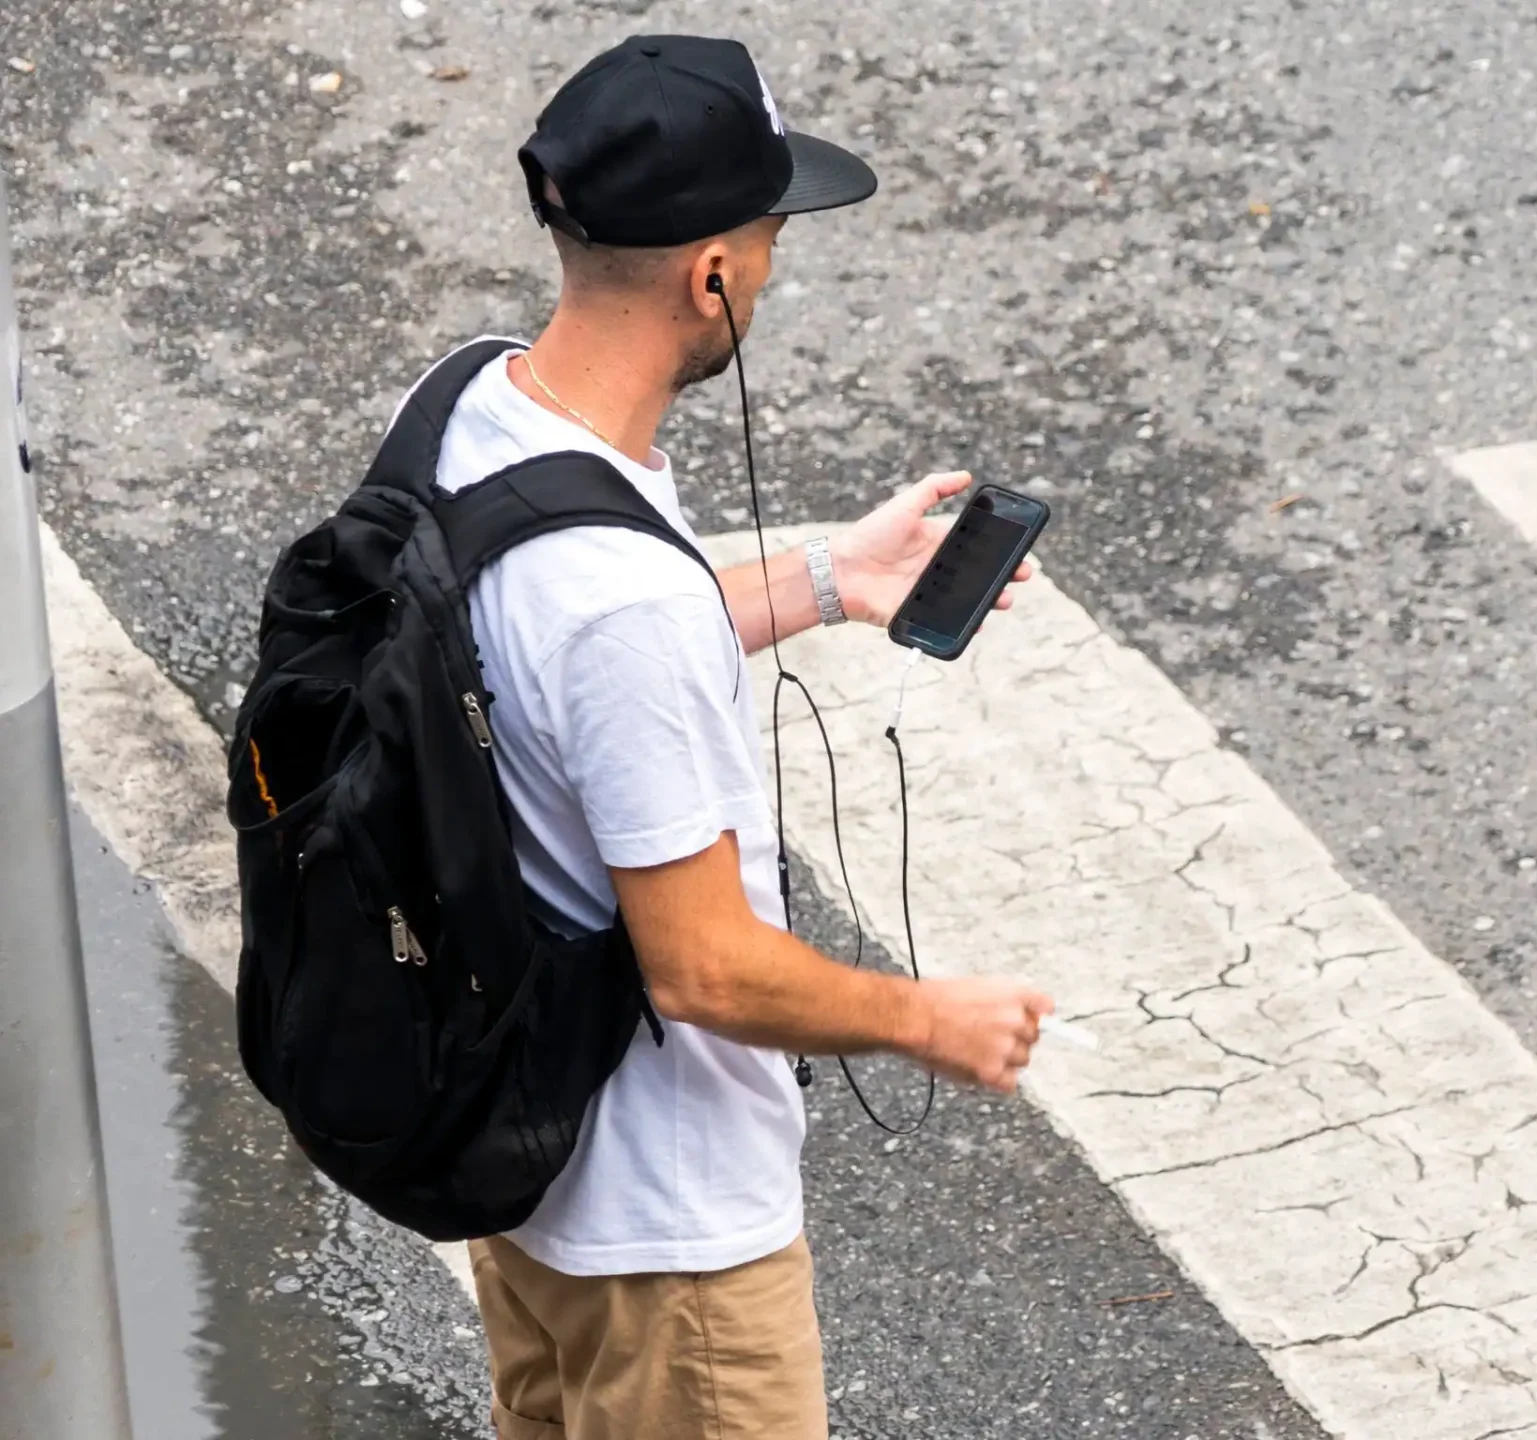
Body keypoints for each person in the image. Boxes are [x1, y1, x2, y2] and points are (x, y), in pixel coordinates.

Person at [430, 34, 1054, 1440]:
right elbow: (703, 966)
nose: (770, 272)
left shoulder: (472, 407)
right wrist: (926, 1018)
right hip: (674, 1260)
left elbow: (556, 643)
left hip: (525, 1182)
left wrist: (831, 579)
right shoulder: (627, 609)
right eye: (769, 238)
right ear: (712, 270)